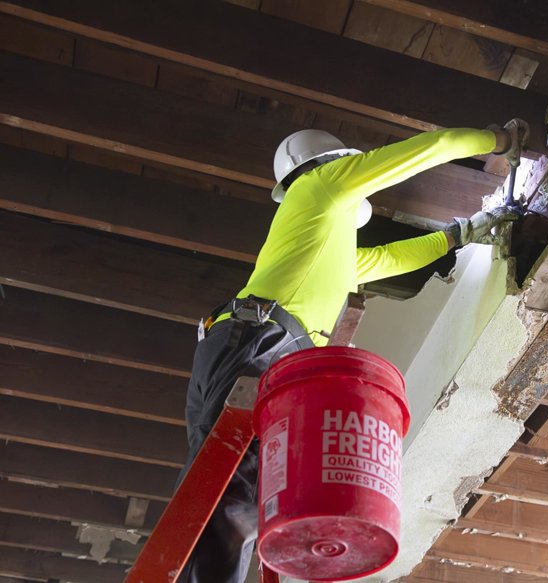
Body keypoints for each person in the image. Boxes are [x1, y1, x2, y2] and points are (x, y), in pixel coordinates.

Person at [178, 120, 529, 582]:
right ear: (330, 164)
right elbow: (426, 150)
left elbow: (392, 259)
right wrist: (499, 141)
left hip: (237, 344)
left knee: (215, 492)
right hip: (256, 345)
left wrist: (460, 234)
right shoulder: (320, 185)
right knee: (234, 496)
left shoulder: (326, 246)